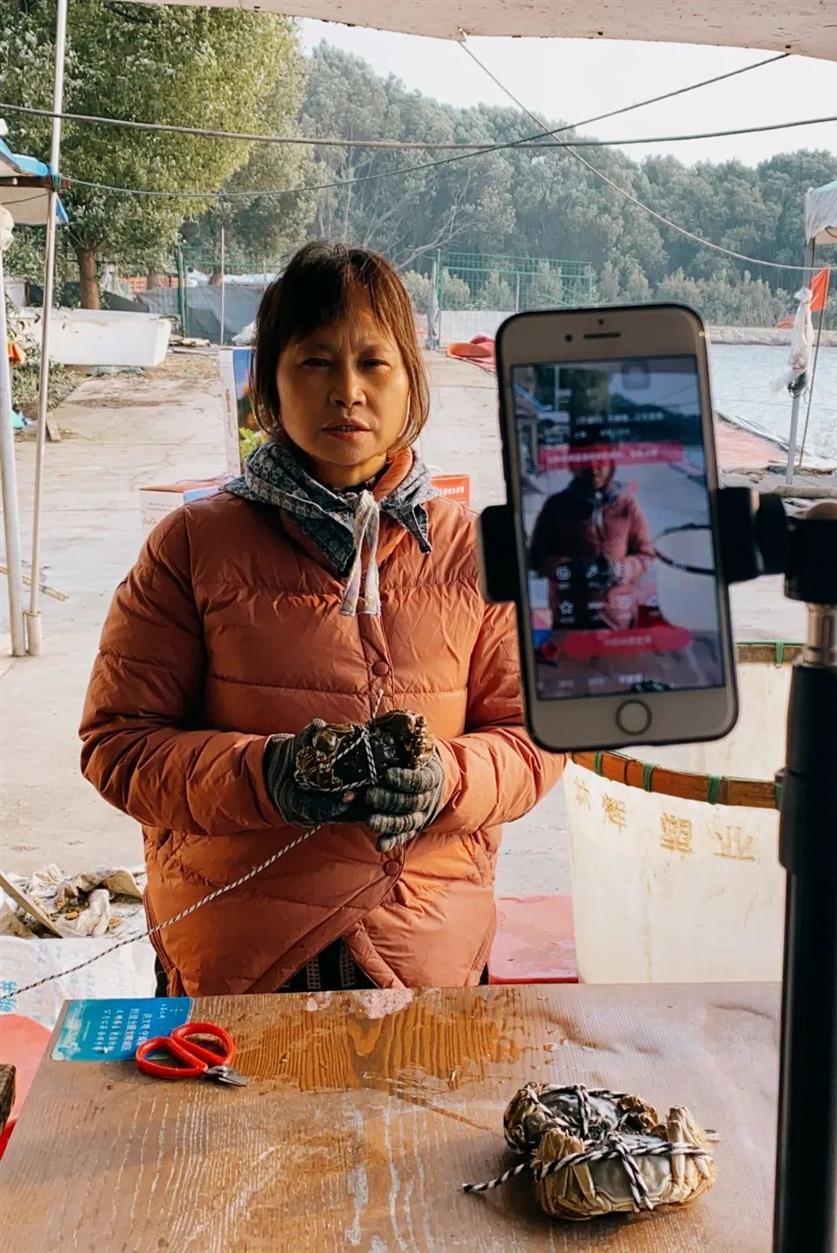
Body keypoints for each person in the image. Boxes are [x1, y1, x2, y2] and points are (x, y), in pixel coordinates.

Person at [80, 242, 563, 996]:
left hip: (424, 950)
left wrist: (445, 779)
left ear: (411, 383)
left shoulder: (474, 550)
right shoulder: (190, 546)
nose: (347, 390)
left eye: (374, 362)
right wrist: (268, 774)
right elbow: (118, 746)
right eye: (314, 361)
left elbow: (534, 738)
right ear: (269, 384)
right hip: (237, 958)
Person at [529, 462, 654, 631]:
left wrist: (620, 570)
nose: (594, 469)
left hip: (617, 619)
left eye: (601, 462)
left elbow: (645, 555)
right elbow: (538, 557)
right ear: (573, 464)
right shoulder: (556, 505)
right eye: (586, 462)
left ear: (611, 465)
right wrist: (568, 568)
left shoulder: (627, 505)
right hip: (570, 615)